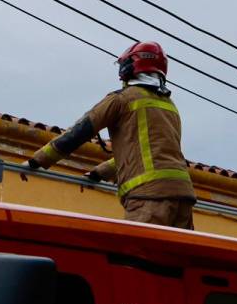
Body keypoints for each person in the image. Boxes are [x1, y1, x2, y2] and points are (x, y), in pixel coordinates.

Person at [26, 41, 196, 229]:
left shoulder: (122, 98)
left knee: (137, 248)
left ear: (131, 66)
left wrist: (36, 161)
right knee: (175, 250)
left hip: (149, 197)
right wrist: (100, 173)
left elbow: (80, 131)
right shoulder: (169, 106)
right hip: (184, 197)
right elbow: (144, 153)